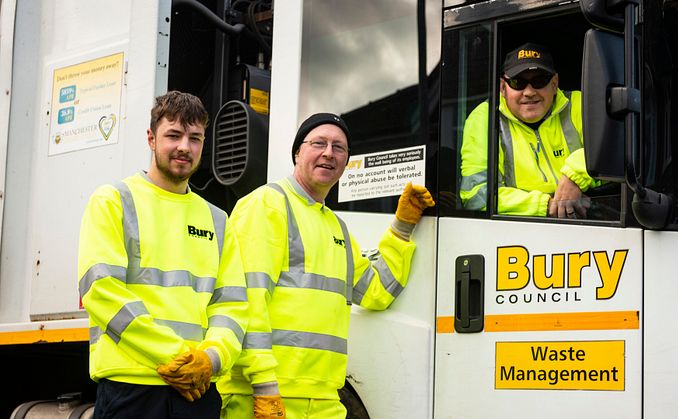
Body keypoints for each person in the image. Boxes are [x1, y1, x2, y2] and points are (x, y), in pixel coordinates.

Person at [218, 113, 435, 419]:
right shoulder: (266, 205)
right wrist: (264, 384)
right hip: (264, 396)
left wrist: (401, 228)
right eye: (318, 143)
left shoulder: (336, 228)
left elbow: (376, 291)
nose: (328, 153)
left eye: (339, 148)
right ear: (298, 152)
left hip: (323, 400)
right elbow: (246, 302)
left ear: (346, 163)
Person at [77, 91, 278, 418]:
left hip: (197, 391)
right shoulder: (114, 200)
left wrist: (210, 360)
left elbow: (232, 306)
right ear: (151, 139)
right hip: (133, 388)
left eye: (195, 138)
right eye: (173, 135)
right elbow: (101, 291)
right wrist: (177, 357)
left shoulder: (217, 220)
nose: (185, 146)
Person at [459, 42, 599, 218]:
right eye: (518, 83)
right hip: (518, 234)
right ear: (503, 88)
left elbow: (617, 148)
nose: (529, 92)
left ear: (554, 84)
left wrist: (574, 177)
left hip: (594, 223)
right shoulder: (484, 117)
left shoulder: (580, 104)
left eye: (539, 81)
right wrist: (547, 205)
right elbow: (476, 194)